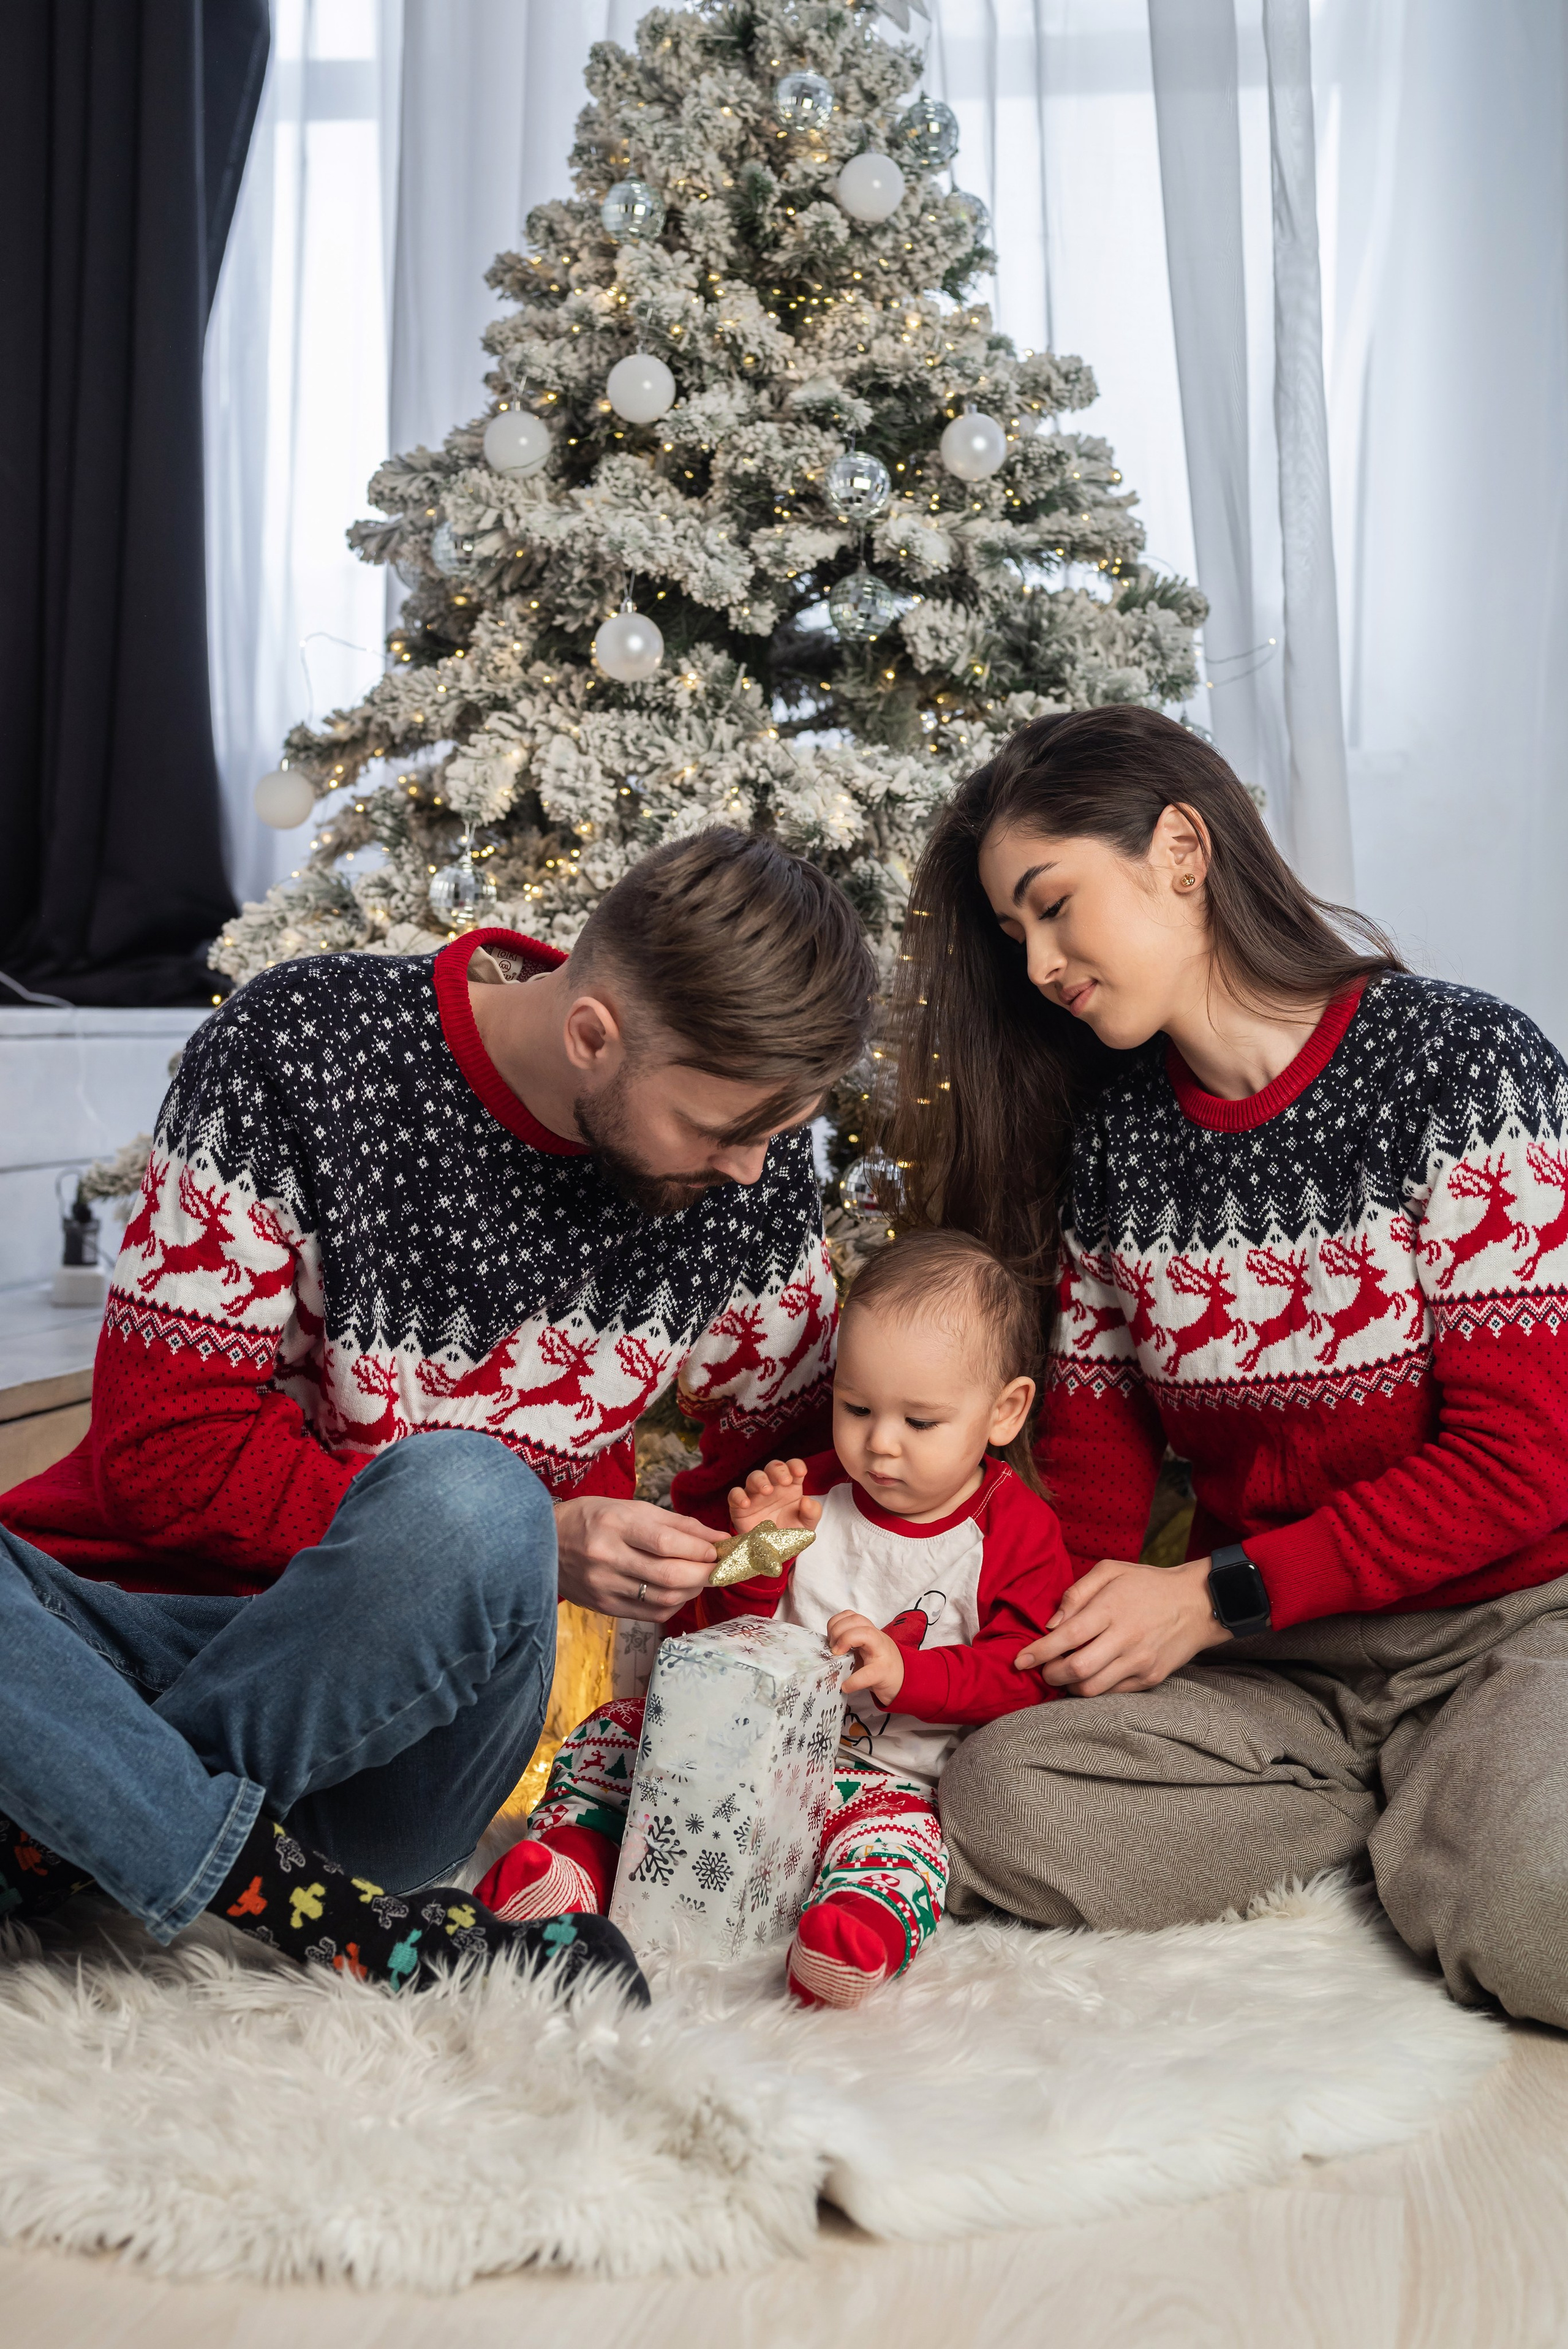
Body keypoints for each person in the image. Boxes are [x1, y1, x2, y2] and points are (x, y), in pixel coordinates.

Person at [0, 828, 875, 1993]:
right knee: (489, 1506)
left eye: (781, 1135)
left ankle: (66, 1806)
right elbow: (165, 1453)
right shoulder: (299, 1051)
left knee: (472, 1506)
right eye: (724, 1132)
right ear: (592, 1036)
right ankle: (311, 1917)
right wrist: (542, 1539)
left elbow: (802, 1446)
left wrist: (708, 1557)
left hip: (403, 1732)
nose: (756, 1174)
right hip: (135, 1628)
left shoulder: (739, 1190)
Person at [883, 704, 1568, 2029]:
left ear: (1180, 850)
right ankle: (1406, 1815)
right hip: (1276, 1670)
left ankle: (1465, 1812)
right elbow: (1089, 1479)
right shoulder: (1117, 1149)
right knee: (1003, 1797)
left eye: (1052, 906)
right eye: (1013, 934)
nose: (1035, 964)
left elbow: (1525, 1459)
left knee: (1529, 1916)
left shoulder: (1460, 1066)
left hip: (1504, 1628)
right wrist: (1023, 1652)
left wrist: (1211, 1593)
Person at [475, 1229, 1073, 2008]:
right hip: (732, 1752)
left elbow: (1027, 1679)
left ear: (1004, 1412)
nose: (880, 1444)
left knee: (903, 1850)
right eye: (856, 1407)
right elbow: (702, 1639)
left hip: (880, 1782)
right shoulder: (809, 1494)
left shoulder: (1013, 1529)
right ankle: (572, 1859)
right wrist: (753, 1563)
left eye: (919, 1423)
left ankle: (854, 1930)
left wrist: (908, 1674)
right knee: (615, 1735)